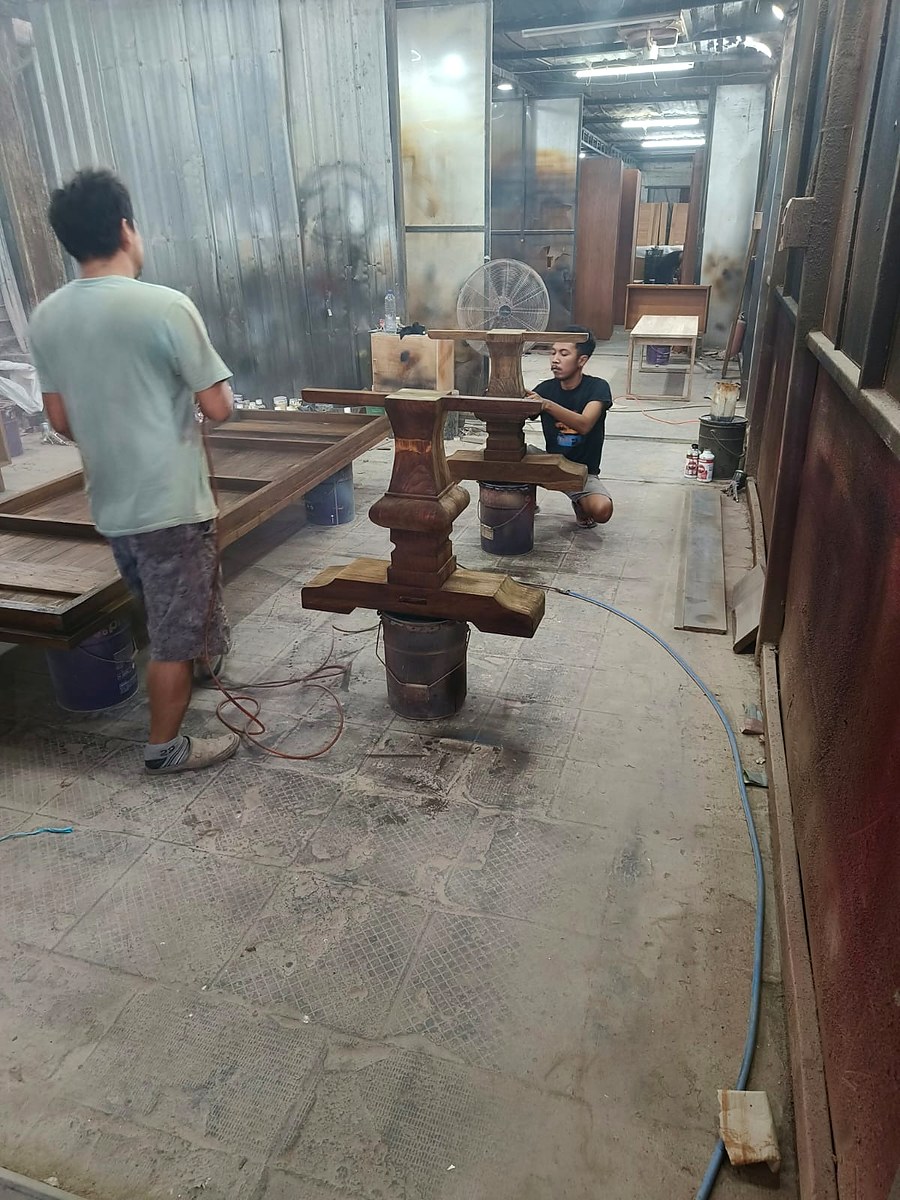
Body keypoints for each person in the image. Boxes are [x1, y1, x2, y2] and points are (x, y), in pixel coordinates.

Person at [28, 168, 239, 774]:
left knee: (165, 610)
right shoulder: (167, 307)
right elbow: (218, 407)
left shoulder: (45, 318)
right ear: (126, 229)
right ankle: (165, 748)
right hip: (171, 504)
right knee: (173, 636)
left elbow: (62, 419)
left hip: (113, 504)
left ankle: (199, 665)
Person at [527, 326, 614, 529]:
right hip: (552, 464)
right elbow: (522, 413)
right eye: (553, 352)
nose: (555, 359)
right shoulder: (545, 388)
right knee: (510, 457)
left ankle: (579, 501)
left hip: (582, 472)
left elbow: (584, 424)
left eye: (564, 353)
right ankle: (526, 501)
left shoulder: (598, 388)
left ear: (582, 360)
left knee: (602, 510)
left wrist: (546, 404)